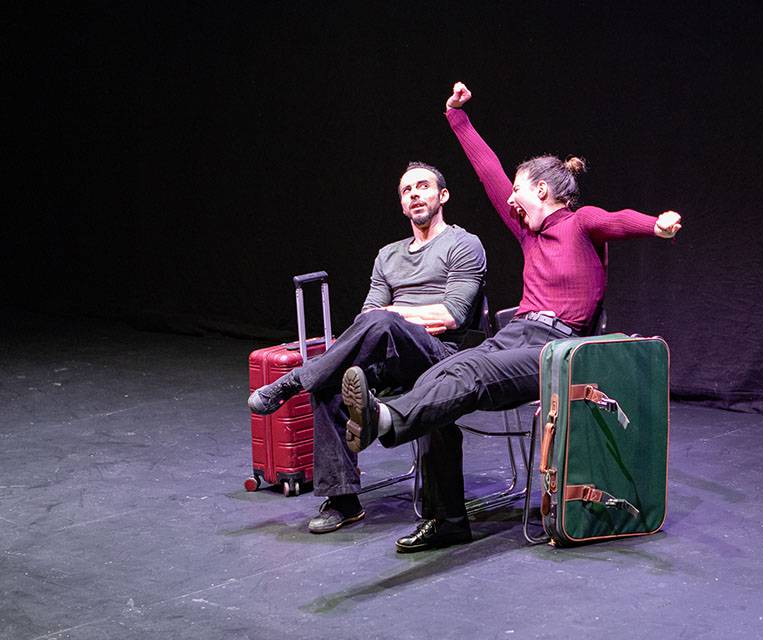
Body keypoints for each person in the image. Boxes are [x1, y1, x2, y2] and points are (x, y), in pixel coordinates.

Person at [339, 82, 682, 553]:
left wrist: (655, 226)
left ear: (541, 190)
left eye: (518, 191)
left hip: (557, 348)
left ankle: (386, 421)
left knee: (472, 372)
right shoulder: (527, 233)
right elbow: (489, 172)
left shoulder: (580, 223)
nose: (511, 199)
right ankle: (447, 519)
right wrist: (457, 116)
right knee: (439, 373)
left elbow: (616, 220)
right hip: (516, 333)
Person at [247, 162, 486, 535]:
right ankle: (343, 500)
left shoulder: (464, 244)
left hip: (443, 357)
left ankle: (293, 382)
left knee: (383, 322)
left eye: (423, 186)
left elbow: (451, 314)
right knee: (331, 385)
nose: (414, 194)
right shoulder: (387, 255)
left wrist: (394, 315)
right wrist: (393, 318)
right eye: (406, 191)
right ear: (402, 204)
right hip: (392, 355)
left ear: (443, 195)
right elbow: (366, 317)